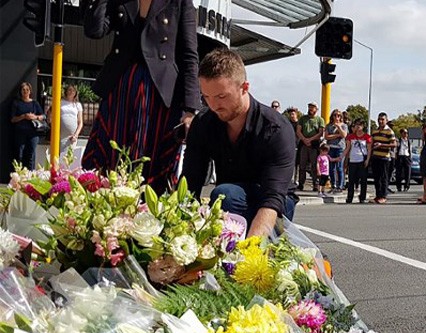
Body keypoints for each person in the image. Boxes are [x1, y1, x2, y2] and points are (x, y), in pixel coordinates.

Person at [83, 0, 199, 193]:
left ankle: (147, 218)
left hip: (160, 96)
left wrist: (190, 109)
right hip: (121, 89)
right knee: (108, 161)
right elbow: (94, 30)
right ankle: (105, 216)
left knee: (152, 167)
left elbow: (189, 55)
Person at [182, 48, 297, 238]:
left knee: (225, 195)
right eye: (206, 97)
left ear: (244, 87)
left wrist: (249, 254)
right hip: (231, 199)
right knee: (225, 196)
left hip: (274, 200)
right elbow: (189, 183)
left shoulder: (276, 129)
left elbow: (272, 199)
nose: (213, 105)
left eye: (221, 96)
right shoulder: (203, 122)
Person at [9, 82, 45, 170]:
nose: (25, 91)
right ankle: (18, 176)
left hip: (33, 133)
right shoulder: (16, 103)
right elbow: (12, 119)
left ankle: (30, 176)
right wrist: (23, 116)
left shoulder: (34, 103)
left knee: (31, 154)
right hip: (20, 133)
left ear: (30, 91)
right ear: (20, 91)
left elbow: (43, 116)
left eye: (27, 90)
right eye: (23, 90)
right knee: (19, 154)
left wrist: (35, 117)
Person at [48, 84, 84, 161]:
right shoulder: (60, 102)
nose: (71, 92)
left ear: (76, 93)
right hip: (60, 135)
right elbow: (50, 113)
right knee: (58, 158)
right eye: (69, 90)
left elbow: (80, 122)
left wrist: (76, 135)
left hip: (72, 137)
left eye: (73, 90)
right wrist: (52, 124)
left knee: (69, 158)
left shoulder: (78, 105)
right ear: (66, 92)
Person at [297, 102, 325, 191]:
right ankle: (301, 183)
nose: (310, 109)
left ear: (316, 109)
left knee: (314, 165)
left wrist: (310, 139)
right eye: (309, 107)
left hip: (314, 144)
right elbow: (298, 131)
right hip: (303, 143)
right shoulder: (302, 119)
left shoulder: (320, 120)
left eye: (312, 108)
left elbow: (320, 133)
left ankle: (315, 184)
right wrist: (304, 139)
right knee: (302, 164)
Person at [370, 112, 397, 204]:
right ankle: (378, 195)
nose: (380, 121)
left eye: (382, 120)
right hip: (375, 157)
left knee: (384, 177)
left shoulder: (389, 131)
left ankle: (383, 196)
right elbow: (371, 143)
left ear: (386, 120)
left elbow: (394, 144)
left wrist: (382, 145)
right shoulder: (375, 131)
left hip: (384, 157)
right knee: (376, 178)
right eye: (379, 120)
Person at [344, 119, 371, 203]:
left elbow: (369, 149)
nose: (358, 126)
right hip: (352, 160)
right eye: (356, 124)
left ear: (363, 126)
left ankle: (362, 197)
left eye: (360, 125)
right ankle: (350, 197)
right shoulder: (350, 136)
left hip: (362, 159)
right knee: (351, 180)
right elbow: (348, 148)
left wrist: (367, 160)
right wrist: (342, 157)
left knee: (363, 180)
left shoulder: (367, 137)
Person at [325, 109, 348, 193]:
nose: (336, 117)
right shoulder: (329, 126)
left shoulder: (344, 125)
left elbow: (344, 135)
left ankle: (340, 186)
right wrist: (337, 135)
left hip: (340, 148)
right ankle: (333, 184)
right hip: (331, 147)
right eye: (335, 115)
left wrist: (338, 127)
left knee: (339, 167)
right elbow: (326, 137)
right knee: (331, 168)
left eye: (338, 115)